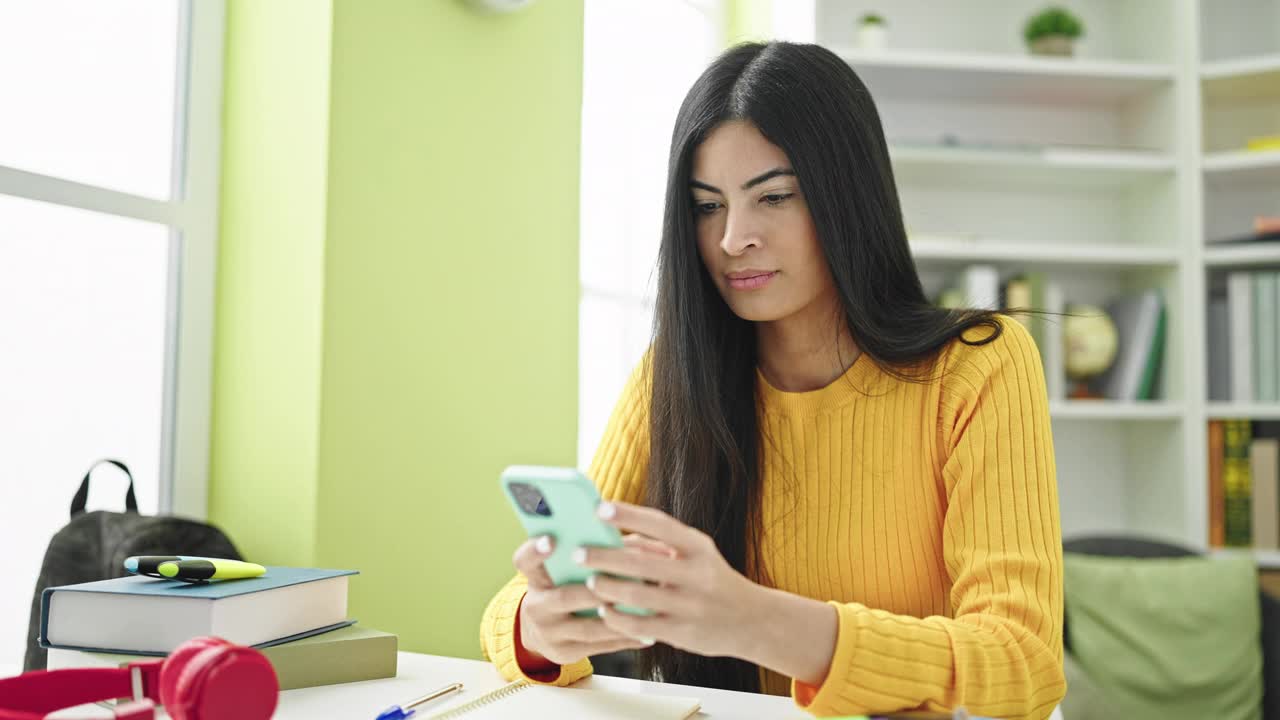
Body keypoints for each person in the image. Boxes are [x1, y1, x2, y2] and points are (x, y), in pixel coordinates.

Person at [481, 40, 1065, 719]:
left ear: (848, 197)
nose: (733, 239)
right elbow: (510, 609)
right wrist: (538, 627)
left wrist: (750, 619)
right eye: (707, 206)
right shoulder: (673, 376)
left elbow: (1023, 662)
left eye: (774, 197)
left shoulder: (979, 365)